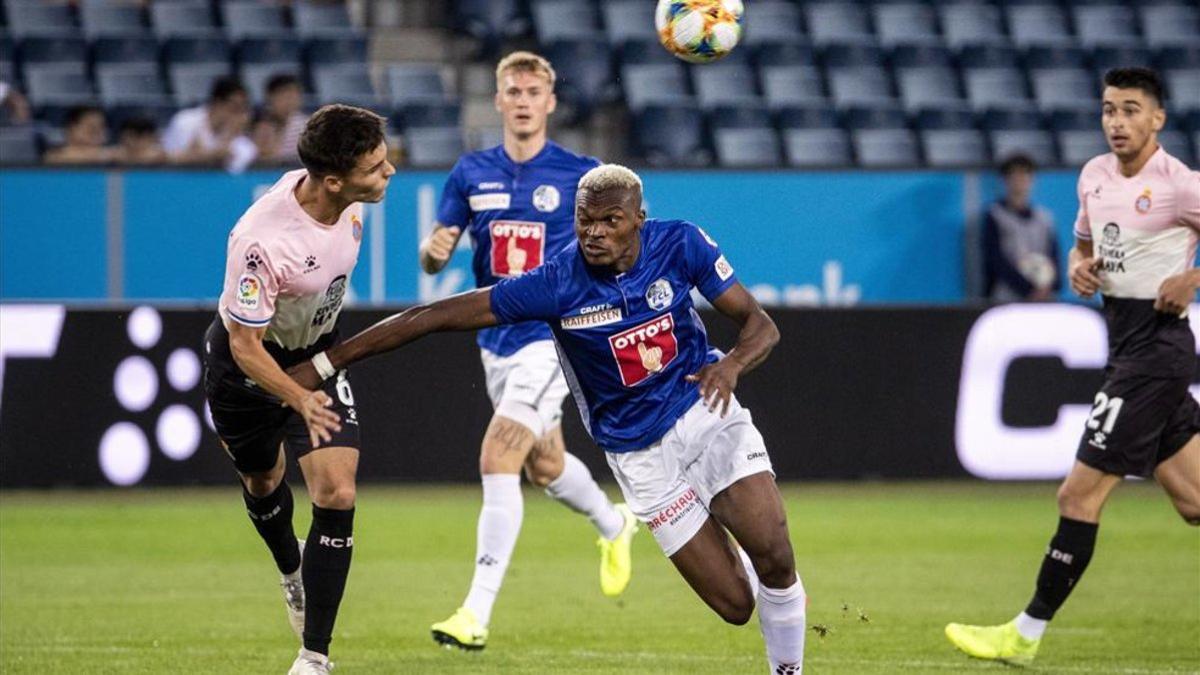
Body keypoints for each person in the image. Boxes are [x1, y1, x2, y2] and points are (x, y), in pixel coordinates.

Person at [290, 164, 809, 673]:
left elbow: (759, 324)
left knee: (775, 554)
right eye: (586, 220)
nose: (594, 232)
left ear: (639, 219)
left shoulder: (681, 244)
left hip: (706, 411)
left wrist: (733, 367)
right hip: (640, 456)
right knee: (737, 605)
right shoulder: (558, 282)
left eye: (610, 221)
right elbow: (432, 316)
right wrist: (328, 361)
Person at [946, 67, 1200, 666]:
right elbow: (1084, 247)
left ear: (1157, 118)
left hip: (1154, 358)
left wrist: (1192, 276)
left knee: (1076, 497)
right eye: (1110, 109)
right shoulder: (1093, 176)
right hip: (1129, 346)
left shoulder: (1181, 184)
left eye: (1131, 110)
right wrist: (1077, 265)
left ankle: (1023, 635)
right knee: (1194, 502)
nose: (1117, 121)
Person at [417, 51, 636, 651]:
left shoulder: (582, 175)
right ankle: (615, 524)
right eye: (512, 89)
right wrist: (434, 253)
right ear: (497, 100)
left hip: (551, 339)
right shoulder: (469, 173)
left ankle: (475, 612)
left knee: (498, 454)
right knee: (543, 465)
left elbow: (624, 243)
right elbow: (435, 254)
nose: (521, 99)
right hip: (495, 341)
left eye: (532, 90)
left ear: (550, 101)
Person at [201, 104, 394, 675]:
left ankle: (314, 656)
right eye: (376, 167)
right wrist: (297, 395)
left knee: (336, 492)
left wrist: (318, 378)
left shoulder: (347, 204)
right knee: (263, 482)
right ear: (334, 180)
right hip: (248, 373)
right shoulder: (263, 242)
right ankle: (291, 572)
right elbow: (244, 346)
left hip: (316, 358)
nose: (389, 173)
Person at [981, 154, 1062, 302]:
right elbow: (995, 259)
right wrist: (1026, 289)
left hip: (1042, 295)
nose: (1020, 181)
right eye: (1014, 175)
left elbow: (1053, 255)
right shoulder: (995, 215)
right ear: (1005, 180)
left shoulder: (1044, 218)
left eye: (1025, 174)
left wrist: (1050, 285)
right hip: (1006, 295)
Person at [162, 76, 257, 173]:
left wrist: (229, 137)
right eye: (235, 107)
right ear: (218, 103)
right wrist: (211, 156)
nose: (239, 115)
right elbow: (167, 158)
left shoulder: (242, 141)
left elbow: (233, 174)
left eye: (243, 109)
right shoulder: (185, 121)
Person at [255, 74, 308, 163]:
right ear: (270, 98)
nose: (289, 101)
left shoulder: (308, 125)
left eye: (293, 95)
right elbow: (264, 159)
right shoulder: (262, 126)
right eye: (283, 96)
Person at [43, 105, 114, 165]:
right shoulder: (55, 156)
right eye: (91, 127)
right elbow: (57, 157)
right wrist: (104, 155)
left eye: (101, 127)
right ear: (71, 129)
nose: (97, 132)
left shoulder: (112, 156)